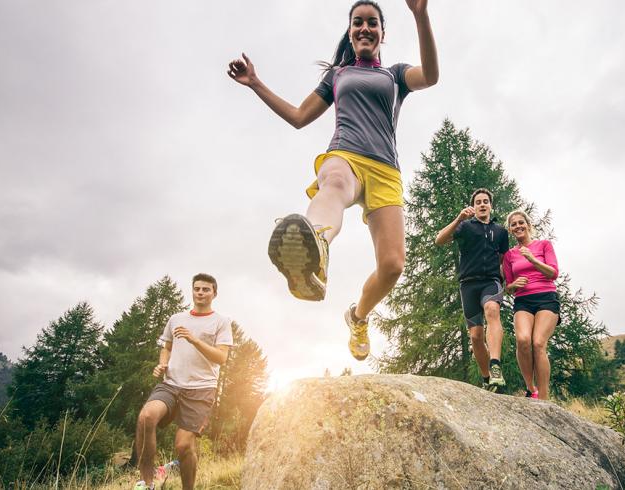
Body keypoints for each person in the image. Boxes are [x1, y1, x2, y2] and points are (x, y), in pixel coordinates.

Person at [227, 0, 438, 361]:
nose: (365, 28)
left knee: (393, 266)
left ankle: (358, 317)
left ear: (383, 33)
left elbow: (431, 76)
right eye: (358, 23)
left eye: (372, 23)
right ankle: (315, 248)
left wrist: (420, 14)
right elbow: (298, 116)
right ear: (351, 32)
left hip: (386, 169)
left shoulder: (395, 76)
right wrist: (256, 84)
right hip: (346, 155)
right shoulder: (337, 76)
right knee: (335, 182)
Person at [134, 273, 233, 490]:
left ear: (214, 293)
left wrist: (194, 340)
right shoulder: (176, 318)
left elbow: (222, 357)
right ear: (192, 291)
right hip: (171, 383)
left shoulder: (221, 322)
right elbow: (166, 346)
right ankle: (148, 483)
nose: (200, 292)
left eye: (206, 289)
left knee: (183, 446)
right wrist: (163, 364)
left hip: (201, 388)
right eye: (197, 288)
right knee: (146, 417)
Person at [435, 188, 509, 391]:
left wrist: (506, 282)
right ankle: (488, 379)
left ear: (491, 205)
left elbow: (503, 261)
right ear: (474, 206)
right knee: (476, 336)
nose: (482, 204)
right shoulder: (465, 227)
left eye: (486, 201)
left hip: (491, 282)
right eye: (478, 202)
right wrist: (459, 219)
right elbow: (439, 240)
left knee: (492, 309)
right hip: (468, 284)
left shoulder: (501, 231)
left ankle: (495, 365)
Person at [502, 210, 560, 400]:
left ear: (528, 224)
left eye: (521, 222)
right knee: (523, 340)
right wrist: (513, 285)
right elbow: (508, 286)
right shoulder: (509, 255)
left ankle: (543, 397)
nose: (518, 226)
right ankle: (531, 388)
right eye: (513, 224)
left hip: (546, 297)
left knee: (538, 343)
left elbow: (553, 273)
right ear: (510, 230)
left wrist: (532, 259)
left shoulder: (543, 245)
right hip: (523, 300)